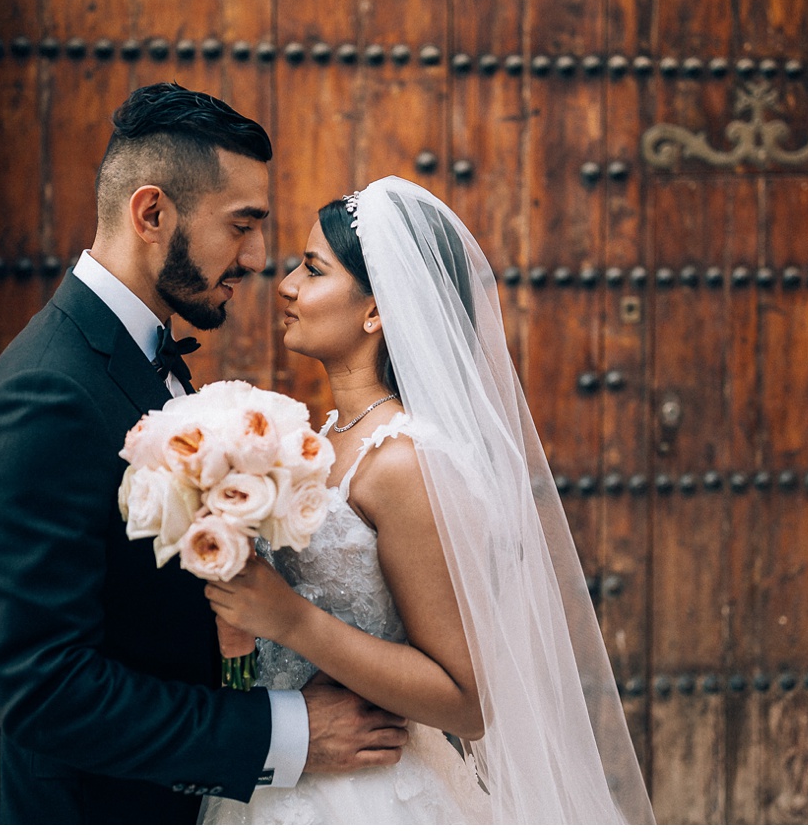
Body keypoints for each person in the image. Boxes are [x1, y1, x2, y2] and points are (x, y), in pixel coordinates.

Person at [0, 83, 408, 825]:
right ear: (152, 213)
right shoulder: (40, 397)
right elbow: (48, 690)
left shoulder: (139, 357)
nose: (259, 258)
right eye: (243, 226)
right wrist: (288, 732)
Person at [203, 176, 655, 824]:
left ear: (377, 310)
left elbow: (465, 702)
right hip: (287, 774)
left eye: (314, 269)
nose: (287, 284)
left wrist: (291, 620)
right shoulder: (322, 442)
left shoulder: (403, 461)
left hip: (368, 796)